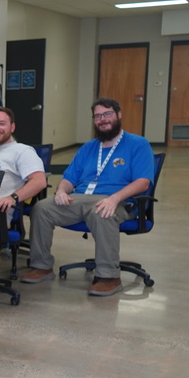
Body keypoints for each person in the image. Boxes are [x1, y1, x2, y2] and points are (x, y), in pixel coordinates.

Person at [20, 98, 154, 297]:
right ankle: (42, 266)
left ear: (119, 115)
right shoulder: (88, 148)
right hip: (80, 198)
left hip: (117, 200)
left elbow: (143, 182)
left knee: (102, 212)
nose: (102, 119)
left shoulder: (138, 144)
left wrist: (114, 198)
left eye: (107, 114)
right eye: (97, 116)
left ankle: (109, 277)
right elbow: (69, 178)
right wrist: (61, 191)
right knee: (42, 208)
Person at [0, 106, 47, 227]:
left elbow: (39, 181)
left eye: (2, 123)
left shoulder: (22, 151)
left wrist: (13, 197)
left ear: (12, 127)